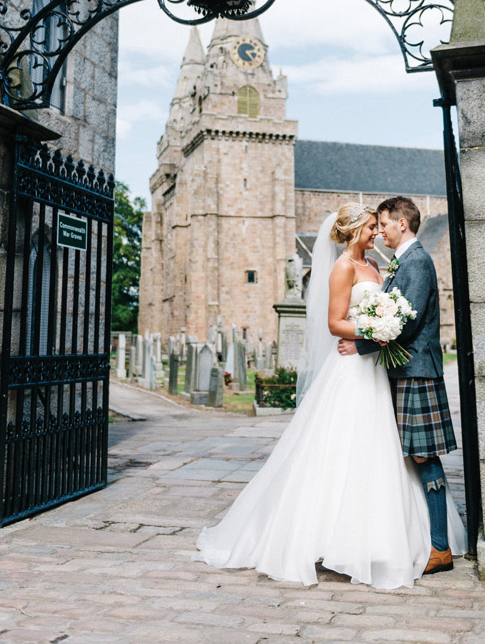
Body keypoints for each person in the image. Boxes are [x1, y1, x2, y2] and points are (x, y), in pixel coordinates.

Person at [194, 203, 465, 589]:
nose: (377, 232)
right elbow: (336, 321)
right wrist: (364, 336)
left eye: (381, 225)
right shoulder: (346, 267)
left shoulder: (386, 265)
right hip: (360, 372)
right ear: (355, 230)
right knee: (346, 450)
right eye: (372, 227)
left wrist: (367, 340)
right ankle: (342, 538)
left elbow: (401, 319)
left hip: (384, 368)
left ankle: (420, 542)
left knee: (395, 453)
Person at [338, 196, 459, 575]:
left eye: (385, 224)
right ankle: (425, 538)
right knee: (411, 456)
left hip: (416, 371)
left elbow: (405, 326)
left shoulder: (418, 261)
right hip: (402, 372)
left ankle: (440, 549)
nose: (381, 231)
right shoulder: (400, 262)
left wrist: (359, 344)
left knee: (424, 456)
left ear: (401, 224)